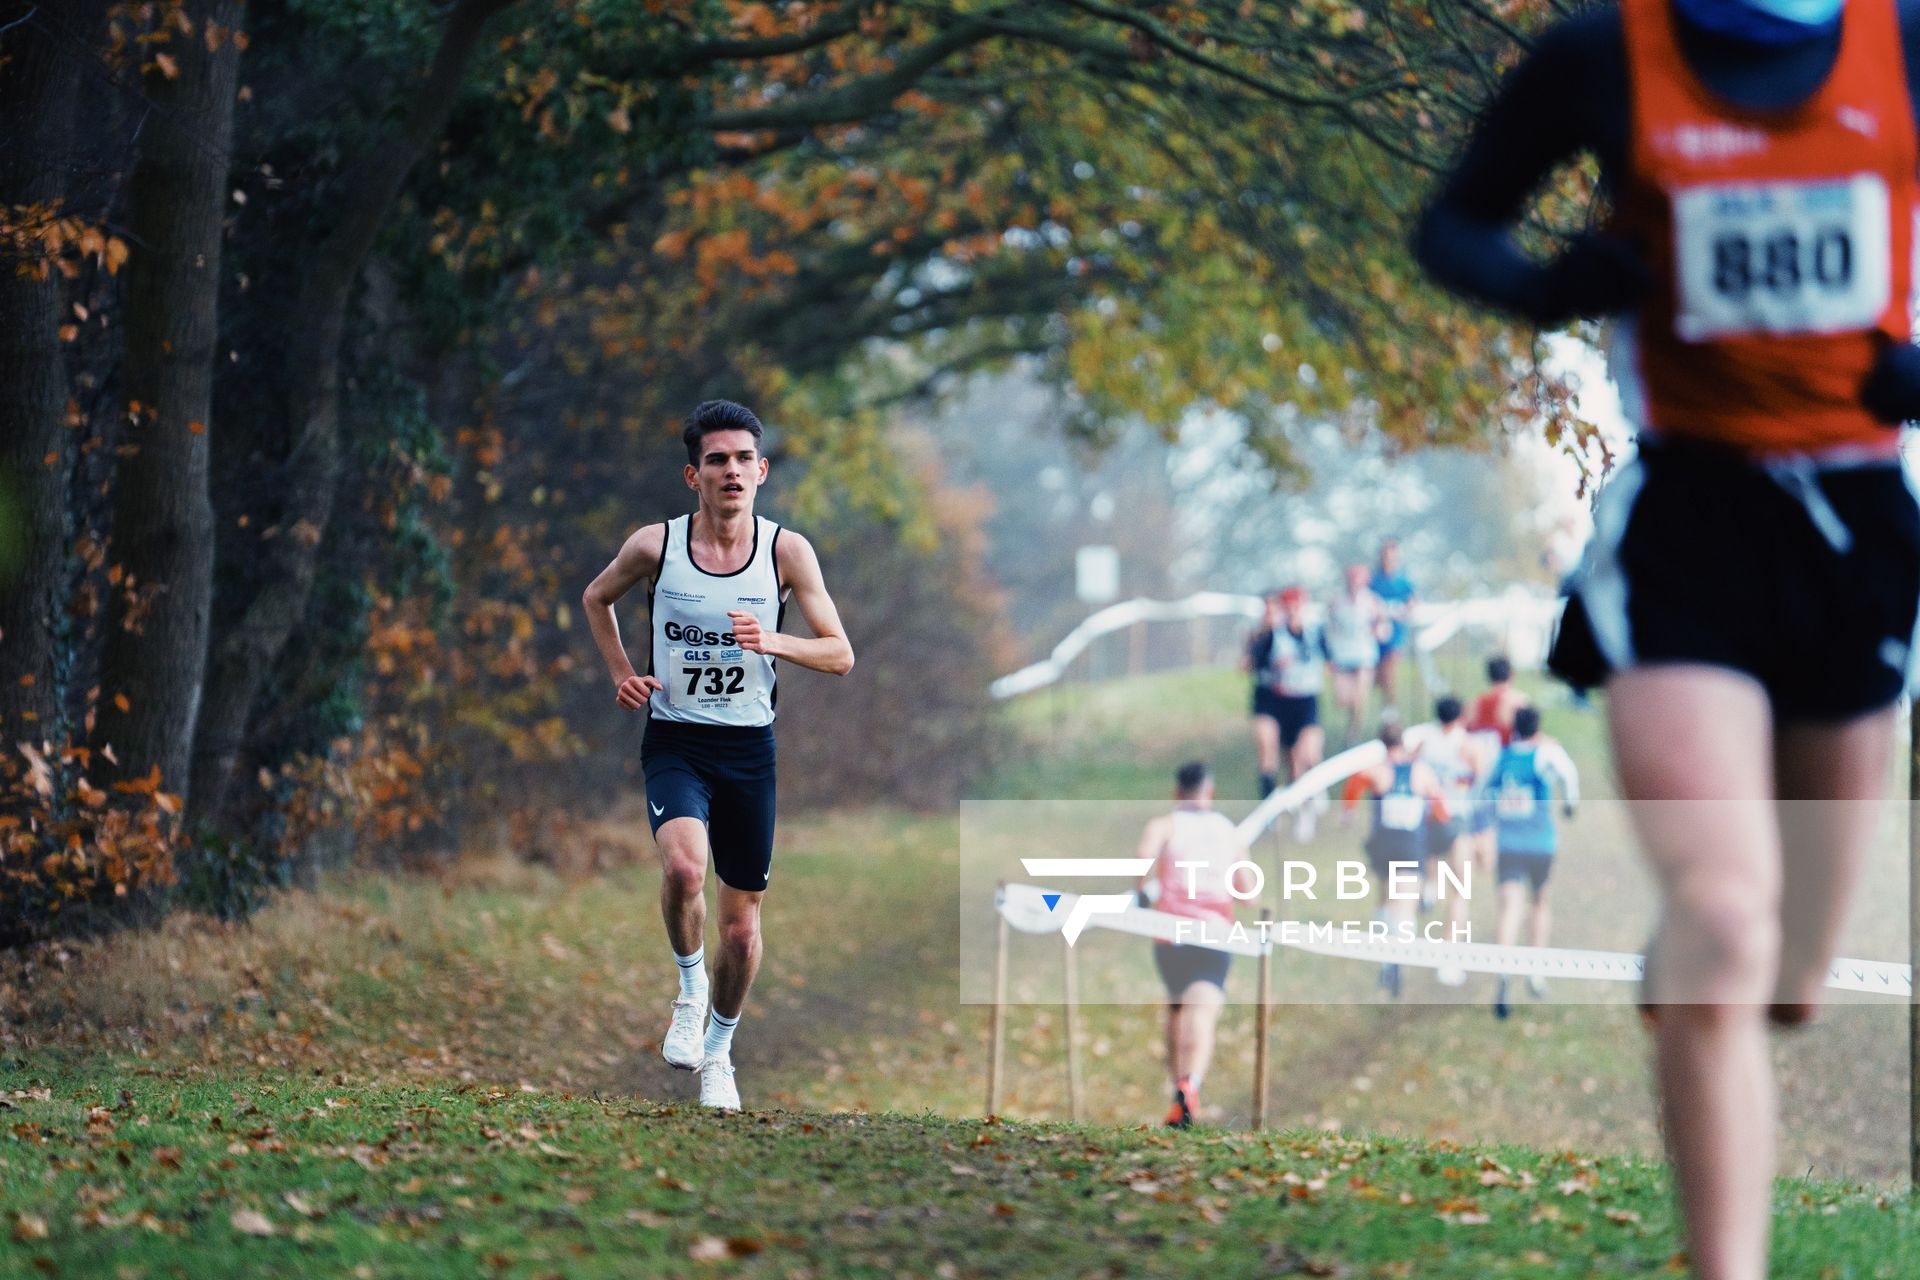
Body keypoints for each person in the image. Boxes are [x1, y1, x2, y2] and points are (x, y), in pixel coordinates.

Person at [1416, 2, 1920, 1274]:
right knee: (1726, 919)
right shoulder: (1601, 55)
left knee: (1792, 973)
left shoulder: (1903, 44)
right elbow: (1451, 222)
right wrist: (1544, 284)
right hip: (1688, 520)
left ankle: (1712, 952)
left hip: (1856, 527)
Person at [581, 400, 856, 1111]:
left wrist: (774, 642)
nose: (730, 471)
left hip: (748, 752)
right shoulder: (656, 547)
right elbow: (596, 597)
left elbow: (840, 654)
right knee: (681, 866)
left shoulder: (786, 553)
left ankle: (721, 1052)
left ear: (761, 472)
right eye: (716, 460)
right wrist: (621, 674)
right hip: (676, 739)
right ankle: (688, 989)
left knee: (742, 924)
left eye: (742, 459)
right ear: (692, 475)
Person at [1133, 761, 1253, 1127]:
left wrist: (1141, 892)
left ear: (1177, 792)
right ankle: (1190, 1085)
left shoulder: (1164, 825)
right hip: (1213, 934)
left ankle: (1176, 1091)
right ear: (1210, 792)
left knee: (1177, 1010)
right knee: (1201, 1011)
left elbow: (1141, 865)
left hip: (1169, 933)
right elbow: (1247, 891)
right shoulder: (1229, 831)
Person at [1481, 706, 1580, 1019]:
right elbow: (1568, 774)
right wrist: (1569, 804)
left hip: (1508, 843)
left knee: (1509, 906)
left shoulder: (1502, 757)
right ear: (1537, 728)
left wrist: (1485, 825)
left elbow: (1480, 793)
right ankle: (1535, 970)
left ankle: (1504, 973)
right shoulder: (1544, 753)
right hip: (1540, 843)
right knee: (1540, 902)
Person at [1342, 721, 1450, 998]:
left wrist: (1349, 812)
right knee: (1406, 905)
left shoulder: (1378, 772)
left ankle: (1385, 959)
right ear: (1404, 742)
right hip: (1410, 844)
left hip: (1383, 844)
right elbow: (1441, 807)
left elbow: (1354, 783)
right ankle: (1397, 959)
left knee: (1385, 899)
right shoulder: (1421, 772)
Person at [1418, 695, 1490, 986]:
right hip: (1458, 820)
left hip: (1429, 819)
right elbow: (1483, 784)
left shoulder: (1424, 743)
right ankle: (1449, 959)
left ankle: (1428, 890)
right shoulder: (1469, 745)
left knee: (1430, 866)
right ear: (1460, 716)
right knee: (1460, 890)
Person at [1270, 585, 1331, 840]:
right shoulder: (1275, 634)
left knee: (1310, 750)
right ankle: (1304, 811)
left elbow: (1329, 659)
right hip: (1284, 702)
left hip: (1308, 698)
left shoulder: (1315, 632)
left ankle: (1318, 789)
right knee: (1293, 761)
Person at [1325, 564, 1390, 748]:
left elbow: (1384, 628)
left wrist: (1378, 630)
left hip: (1364, 655)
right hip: (1342, 655)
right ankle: (1350, 722)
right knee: (1342, 699)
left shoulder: (1373, 601)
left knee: (1361, 698)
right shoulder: (1336, 600)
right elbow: (1328, 627)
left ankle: (1353, 736)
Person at [1243, 592, 1288, 799]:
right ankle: (1269, 801)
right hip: (1264, 696)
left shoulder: (1291, 634)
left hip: (1289, 698)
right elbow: (1247, 665)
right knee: (1266, 747)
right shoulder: (1256, 636)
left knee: (1291, 754)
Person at [1370, 538, 1418, 711]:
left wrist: (1406, 610)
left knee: (1389, 672)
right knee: (1376, 677)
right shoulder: (1374, 581)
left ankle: (1390, 711)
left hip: (1395, 637)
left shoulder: (1403, 581)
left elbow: (1412, 602)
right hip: (1375, 638)